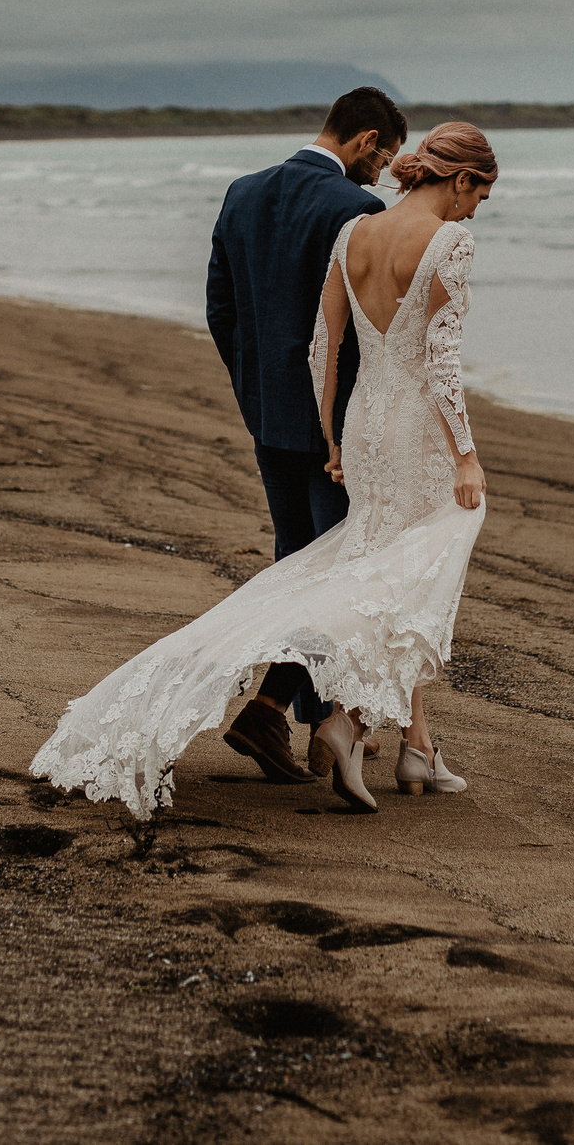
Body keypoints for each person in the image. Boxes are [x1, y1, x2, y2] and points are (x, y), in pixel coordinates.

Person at [30, 121, 500, 816]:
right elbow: (442, 363)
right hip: (416, 430)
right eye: (479, 195)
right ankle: (345, 723)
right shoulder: (449, 242)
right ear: (460, 179)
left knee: (379, 571)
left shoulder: (356, 232)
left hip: (362, 424)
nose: (475, 211)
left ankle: (417, 748)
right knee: (410, 571)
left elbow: (322, 346)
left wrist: (332, 439)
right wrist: (467, 455)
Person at [206, 87, 408, 785]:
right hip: (333, 429)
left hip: (268, 416)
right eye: (385, 157)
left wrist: (257, 392)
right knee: (337, 570)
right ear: (365, 140)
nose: (383, 172)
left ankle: (318, 717)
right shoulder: (356, 210)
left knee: (299, 559)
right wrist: (360, 421)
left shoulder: (241, 194)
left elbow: (222, 310)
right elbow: (367, 336)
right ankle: (274, 710)